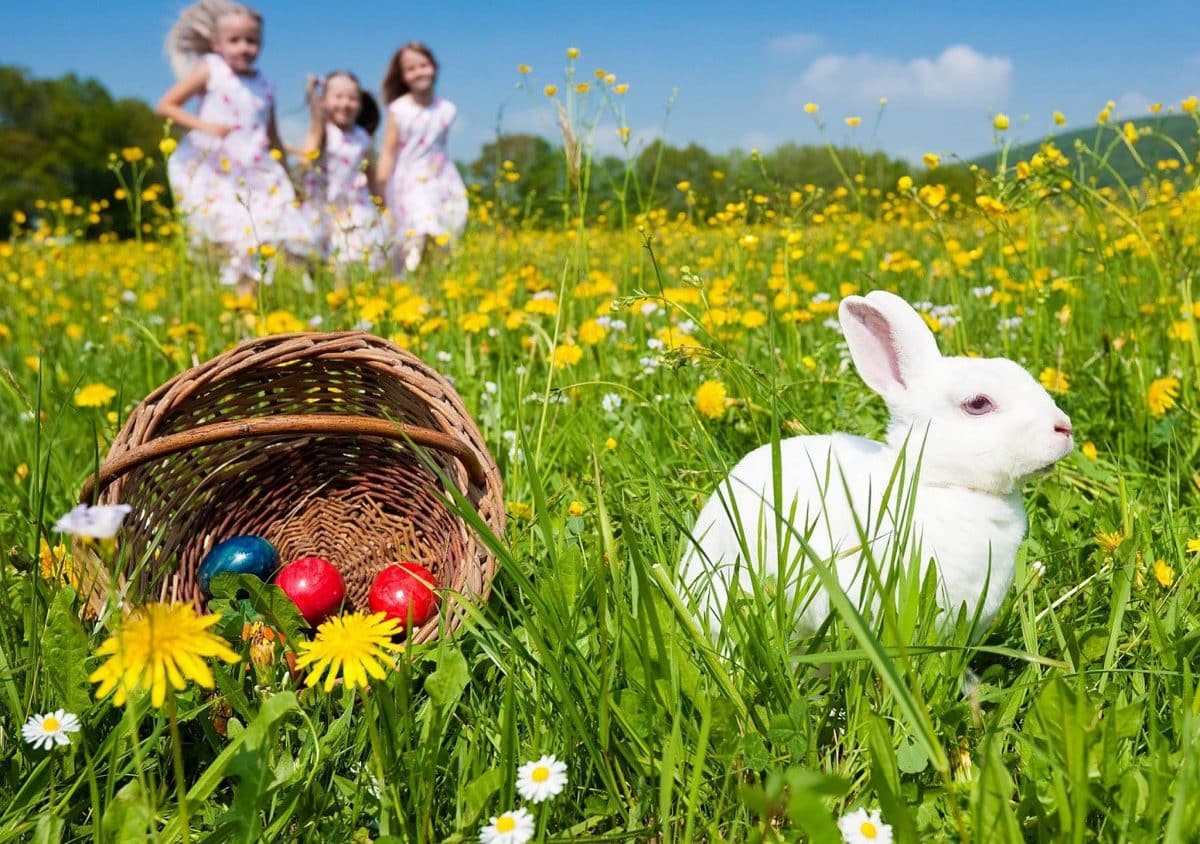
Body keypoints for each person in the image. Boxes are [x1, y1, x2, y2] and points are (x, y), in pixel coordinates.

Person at [156, 0, 313, 294]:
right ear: (217, 43)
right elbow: (166, 106)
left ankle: (253, 303)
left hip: (257, 172)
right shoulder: (211, 69)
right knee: (234, 237)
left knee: (271, 234)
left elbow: (273, 136)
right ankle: (238, 304)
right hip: (215, 170)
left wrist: (290, 173)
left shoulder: (266, 85)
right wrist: (206, 127)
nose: (244, 47)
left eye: (251, 41)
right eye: (235, 40)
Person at [376, 42, 468, 273]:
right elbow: (388, 152)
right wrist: (380, 187)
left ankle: (429, 280)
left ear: (434, 67)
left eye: (423, 65)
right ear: (403, 76)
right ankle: (411, 278)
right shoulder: (399, 109)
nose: (419, 72)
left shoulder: (447, 109)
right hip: (410, 180)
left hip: (442, 179)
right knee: (420, 229)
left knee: (443, 234)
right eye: (411, 68)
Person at [297, 71, 389, 273]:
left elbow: (371, 173)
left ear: (360, 103)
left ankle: (345, 298)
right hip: (321, 207)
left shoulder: (363, 137)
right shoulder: (321, 133)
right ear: (324, 101)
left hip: (354, 207)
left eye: (352, 98)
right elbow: (304, 162)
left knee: (351, 259)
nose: (345, 103)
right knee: (316, 263)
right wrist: (315, 106)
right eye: (338, 97)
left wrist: (381, 204)